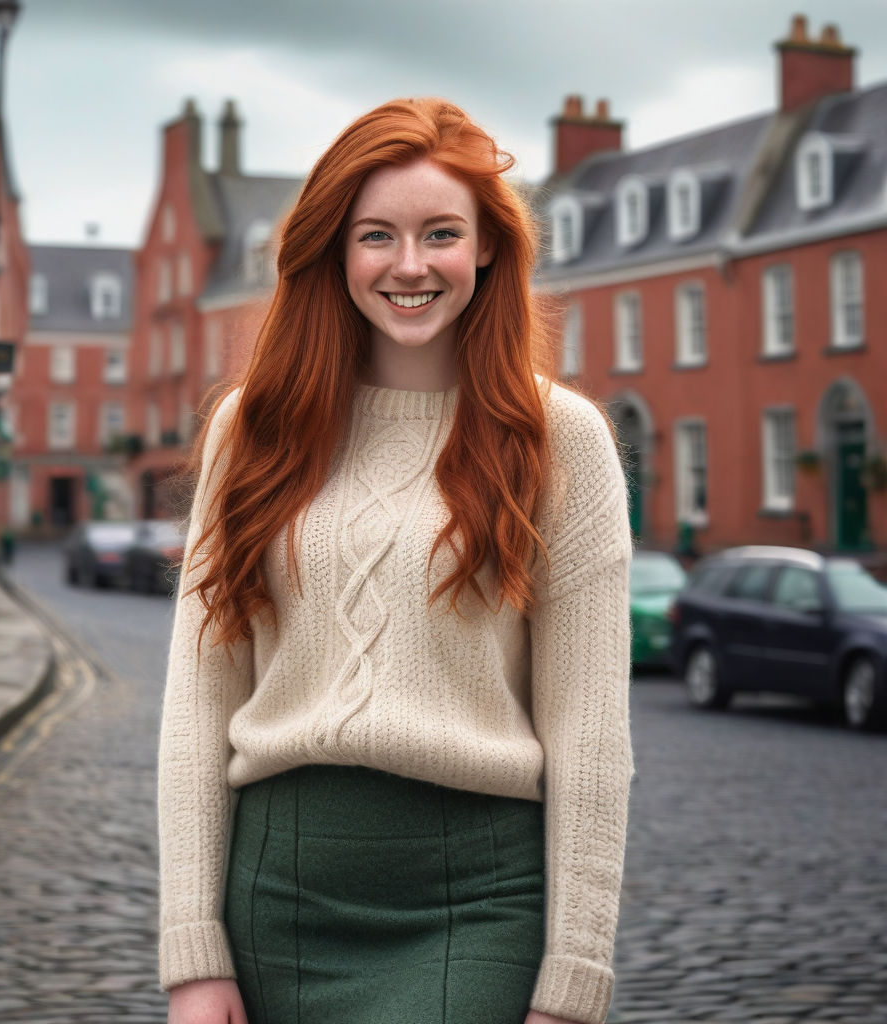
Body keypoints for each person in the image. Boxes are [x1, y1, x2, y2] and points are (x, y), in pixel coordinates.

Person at [157, 97, 634, 1024]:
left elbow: (590, 736)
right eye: (376, 235)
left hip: (477, 902)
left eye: (440, 233)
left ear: (487, 247)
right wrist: (193, 953)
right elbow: (198, 702)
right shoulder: (251, 430)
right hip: (274, 897)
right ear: (335, 252)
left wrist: (573, 983)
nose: (409, 265)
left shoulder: (561, 440)